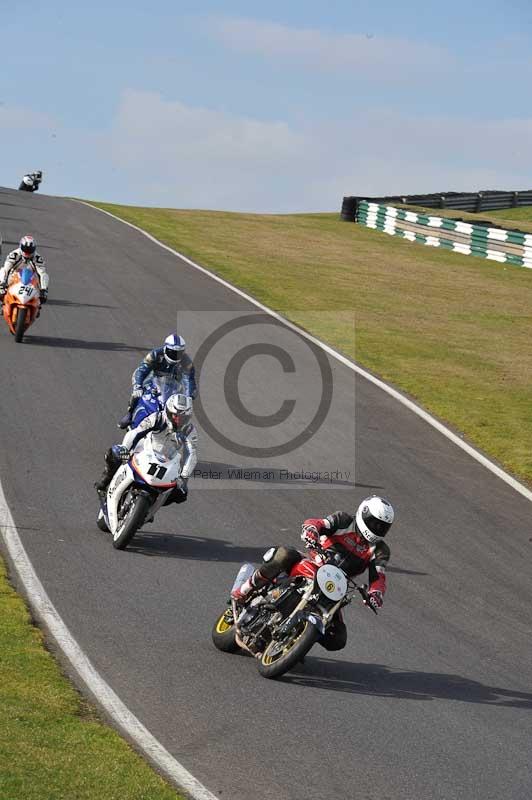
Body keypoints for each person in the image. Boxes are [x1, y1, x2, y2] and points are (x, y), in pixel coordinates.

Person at [231, 495, 394, 651]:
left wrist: (376, 593)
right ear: (363, 513)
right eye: (374, 523)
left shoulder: (380, 550)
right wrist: (311, 530)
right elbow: (317, 523)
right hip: (314, 563)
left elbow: (378, 576)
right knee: (285, 555)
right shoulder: (344, 520)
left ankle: (297, 639)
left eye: (382, 526)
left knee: (337, 638)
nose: (377, 528)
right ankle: (245, 589)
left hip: (335, 587)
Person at [95, 394, 198, 507]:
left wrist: (184, 476)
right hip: (144, 450)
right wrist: (125, 448)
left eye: (182, 418)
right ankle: (106, 480)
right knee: (114, 453)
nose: (178, 420)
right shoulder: (158, 418)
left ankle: (151, 505)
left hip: (166, 461)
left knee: (181, 493)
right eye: (175, 416)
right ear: (168, 411)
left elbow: (191, 454)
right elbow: (136, 432)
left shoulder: (189, 430)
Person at [118, 333, 197, 429]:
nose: (175, 356)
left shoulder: (186, 362)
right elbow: (141, 371)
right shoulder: (155, 354)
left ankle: (179, 430)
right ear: (165, 349)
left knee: (182, 408)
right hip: (153, 380)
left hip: (174, 385)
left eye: (179, 353)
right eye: (172, 352)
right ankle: (129, 414)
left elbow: (188, 379)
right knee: (137, 394)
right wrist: (137, 386)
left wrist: (189, 396)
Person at [0, 235, 49, 304]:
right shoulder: (14, 254)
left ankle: (36, 305)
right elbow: (6, 268)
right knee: (3, 270)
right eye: (25, 248)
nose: (27, 252)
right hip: (14, 278)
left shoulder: (37, 258)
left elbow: (42, 274)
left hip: (30, 281)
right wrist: (3, 282)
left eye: (29, 250)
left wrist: (43, 289)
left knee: (43, 276)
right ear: (21, 246)